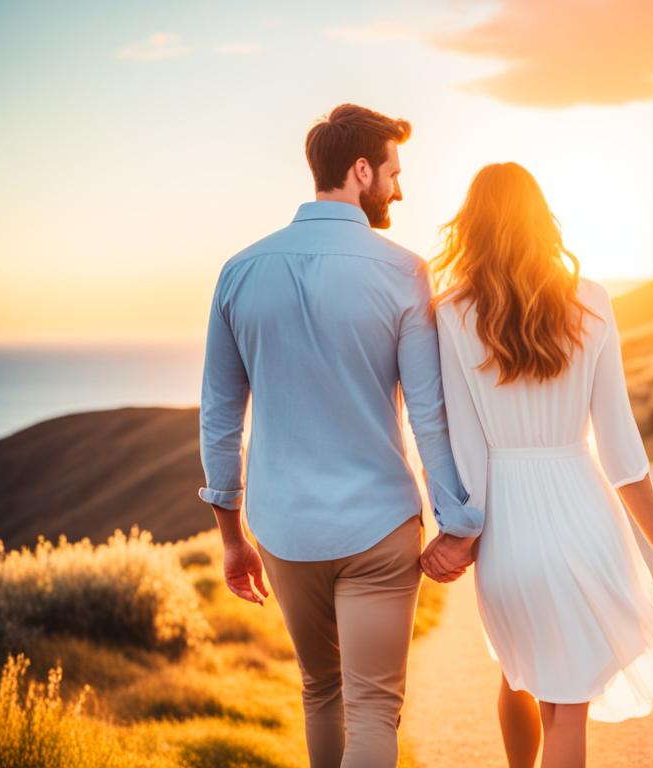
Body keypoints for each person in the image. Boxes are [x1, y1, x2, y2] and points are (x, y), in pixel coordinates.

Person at [197, 103, 482, 768]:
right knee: (374, 708)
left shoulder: (239, 271)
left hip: (284, 530)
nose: (400, 189)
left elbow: (219, 415)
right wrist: (457, 520)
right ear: (360, 172)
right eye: (393, 172)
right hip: (378, 525)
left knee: (320, 692)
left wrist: (232, 538)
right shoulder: (405, 271)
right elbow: (428, 412)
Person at [423, 162, 653, 768]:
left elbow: (462, 446)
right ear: (542, 219)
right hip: (584, 518)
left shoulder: (450, 313)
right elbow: (620, 445)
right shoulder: (591, 301)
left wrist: (460, 533)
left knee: (517, 671)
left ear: (471, 227)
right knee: (567, 701)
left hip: (506, 533)